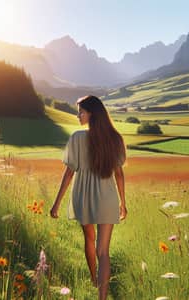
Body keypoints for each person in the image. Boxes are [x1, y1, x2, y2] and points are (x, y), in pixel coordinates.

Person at [50, 95, 127, 300]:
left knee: (90, 240)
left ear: (91, 114)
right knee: (104, 251)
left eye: (81, 112)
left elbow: (69, 173)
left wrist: (56, 204)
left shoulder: (77, 138)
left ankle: (94, 279)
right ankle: (102, 296)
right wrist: (123, 203)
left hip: (83, 196)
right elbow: (119, 174)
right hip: (108, 198)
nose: (78, 115)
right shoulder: (115, 138)